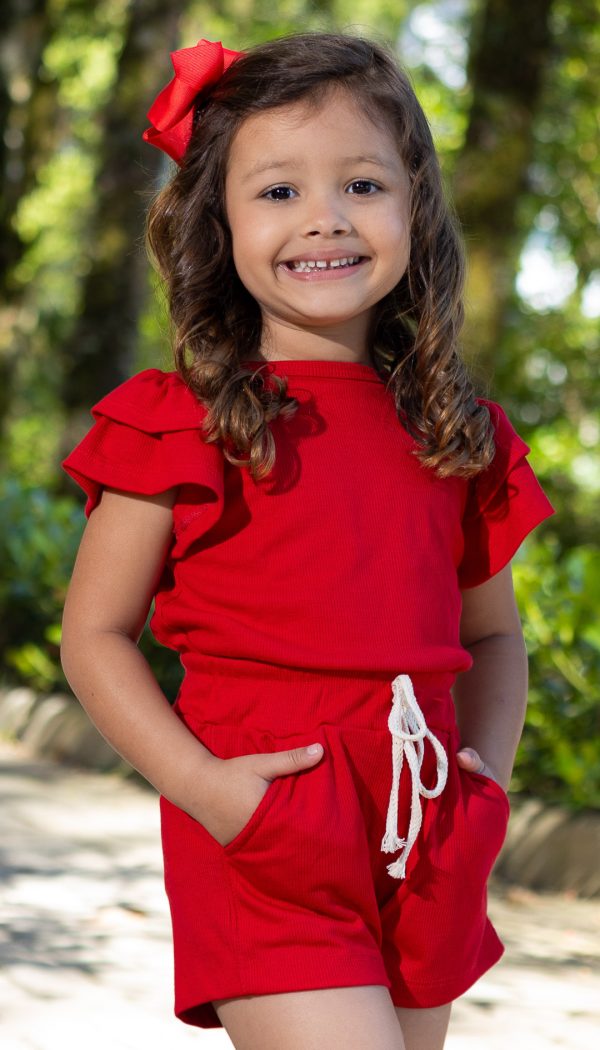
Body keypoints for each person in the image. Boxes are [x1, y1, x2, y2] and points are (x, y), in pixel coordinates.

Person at [60, 31, 555, 1050]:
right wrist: (210, 795)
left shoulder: (459, 430)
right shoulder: (175, 420)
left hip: (429, 834)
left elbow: (495, 637)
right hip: (264, 832)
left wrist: (487, 788)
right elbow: (94, 637)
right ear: (218, 223)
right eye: (278, 192)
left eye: (363, 184)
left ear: (415, 204)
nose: (325, 216)